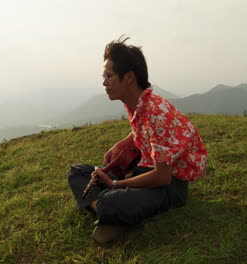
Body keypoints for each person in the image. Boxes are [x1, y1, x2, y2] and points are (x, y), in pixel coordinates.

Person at [67, 36, 208, 243]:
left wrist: (115, 184)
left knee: (111, 200)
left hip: (169, 186)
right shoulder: (136, 103)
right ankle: (111, 214)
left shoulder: (158, 113)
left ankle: (108, 210)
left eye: (109, 75)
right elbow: (143, 132)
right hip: (144, 169)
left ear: (129, 78)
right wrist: (123, 143)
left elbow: (163, 177)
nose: (104, 83)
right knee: (77, 172)